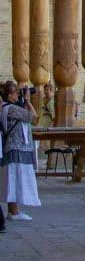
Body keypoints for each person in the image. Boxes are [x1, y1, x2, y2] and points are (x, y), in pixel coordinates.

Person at [0, 80, 41, 220]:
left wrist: (24, 102)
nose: (18, 96)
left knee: (13, 179)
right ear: (10, 95)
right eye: (16, 93)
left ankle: (14, 210)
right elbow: (34, 118)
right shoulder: (11, 109)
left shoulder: (6, 107)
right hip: (16, 148)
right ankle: (14, 211)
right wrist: (28, 101)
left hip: (13, 148)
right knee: (15, 179)